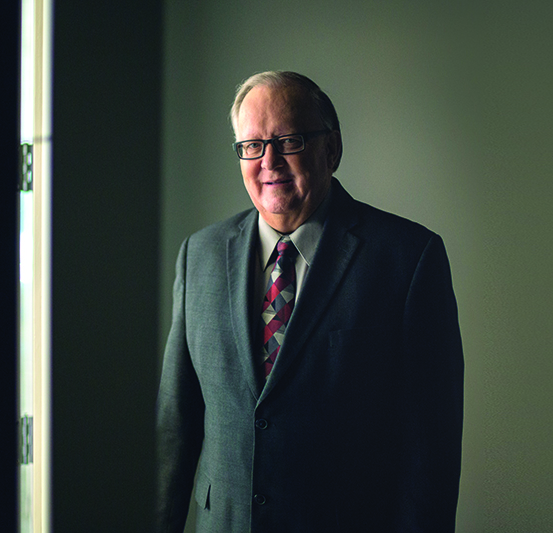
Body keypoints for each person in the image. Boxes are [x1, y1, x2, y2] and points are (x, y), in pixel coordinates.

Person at [155, 71, 464, 532]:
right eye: (252, 145)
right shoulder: (197, 255)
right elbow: (174, 429)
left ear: (331, 149)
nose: (269, 161)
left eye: (290, 140)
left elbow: (430, 452)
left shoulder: (407, 259)